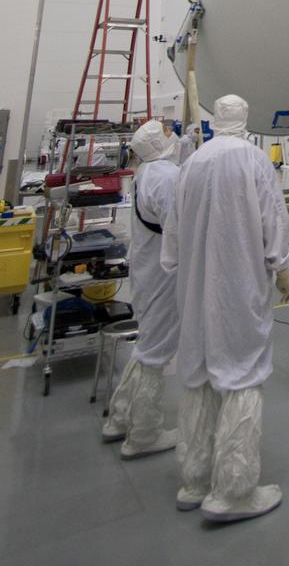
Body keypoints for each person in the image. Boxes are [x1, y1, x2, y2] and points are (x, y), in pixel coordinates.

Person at [161, 94, 289, 523]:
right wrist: (284, 268)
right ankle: (234, 491)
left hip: (195, 287)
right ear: (245, 119)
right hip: (238, 286)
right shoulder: (254, 161)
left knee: (199, 375)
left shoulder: (193, 163)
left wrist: (185, 273)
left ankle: (194, 478)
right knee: (241, 374)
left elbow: (172, 233)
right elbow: (274, 219)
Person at [102, 119, 180, 457]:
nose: (171, 133)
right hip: (164, 272)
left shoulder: (147, 172)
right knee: (156, 351)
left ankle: (120, 416)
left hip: (148, 269)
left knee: (148, 342)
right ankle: (144, 433)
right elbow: (177, 225)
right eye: (166, 131)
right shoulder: (165, 176)